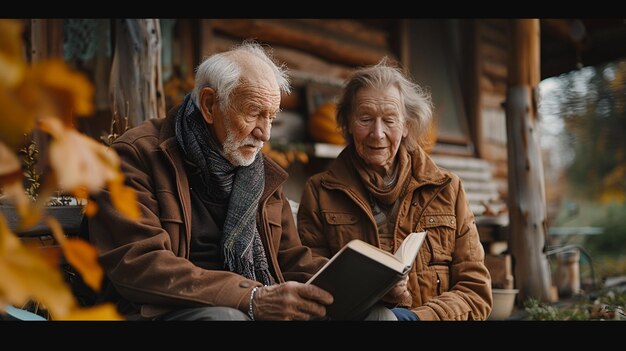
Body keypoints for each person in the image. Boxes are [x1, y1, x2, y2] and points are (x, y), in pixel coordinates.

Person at [85, 42, 339, 321]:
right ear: (208, 105)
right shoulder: (136, 156)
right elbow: (140, 264)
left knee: (377, 315)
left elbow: (291, 261)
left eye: (272, 118)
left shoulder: (261, 173)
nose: (265, 133)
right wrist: (250, 297)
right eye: (254, 112)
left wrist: (356, 285)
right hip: (156, 312)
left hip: (246, 307)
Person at [297, 59, 493, 321]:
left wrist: (416, 319)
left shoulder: (448, 190)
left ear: (407, 125)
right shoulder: (320, 192)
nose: (377, 134)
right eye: (365, 119)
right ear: (347, 123)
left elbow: (476, 291)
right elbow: (309, 283)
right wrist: (370, 293)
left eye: (389, 120)